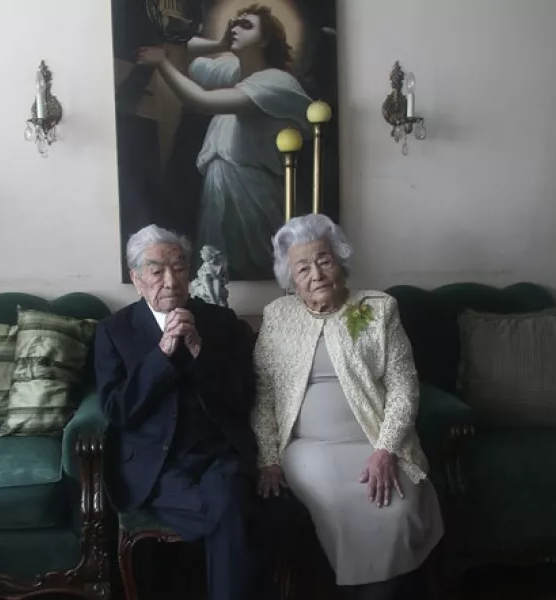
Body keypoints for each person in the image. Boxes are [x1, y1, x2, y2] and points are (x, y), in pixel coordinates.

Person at [253, 214, 444, 600]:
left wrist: (385, 450)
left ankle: (377, 592)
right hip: (309, 447)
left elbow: (404, 387)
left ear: (339, 260)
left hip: (374, 440)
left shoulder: (379, 309)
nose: (316, 273)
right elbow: (265, 396)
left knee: (398, 509)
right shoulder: (278, 316)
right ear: (292, 279)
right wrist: (268, 459)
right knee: (337, 501)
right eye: (302, 267)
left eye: (323, 260)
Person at [95, 224, 270, 600]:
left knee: (229, 499)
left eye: (179, 268)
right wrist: (161, 355)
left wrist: (197, 350)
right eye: (157, 271)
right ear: (137, 279)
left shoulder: (220, 322)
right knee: (233, 515)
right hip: (156, 464)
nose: (170, 281)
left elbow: (243, 397)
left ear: (190, 272)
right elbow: (118, 410)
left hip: (217, 454)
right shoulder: (114, 331)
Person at [135, 4, 312, 280]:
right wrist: (218, 43)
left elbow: (200, 100)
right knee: (215, 269)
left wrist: (162, 63)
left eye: (246, 25)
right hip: (219, 186)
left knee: (250, 265)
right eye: (234, 23)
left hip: (253, 190)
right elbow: (182, 56)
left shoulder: (277, 81)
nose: (235, 28)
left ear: (265, 40)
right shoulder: (232, 70)